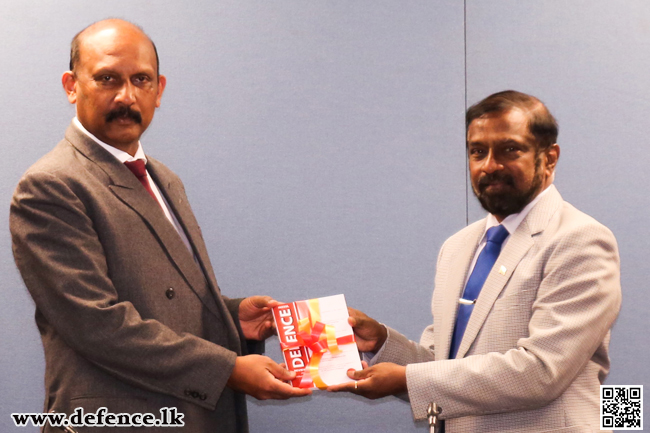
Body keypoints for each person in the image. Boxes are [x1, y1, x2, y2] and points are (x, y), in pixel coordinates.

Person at [10, 19, 310, 433]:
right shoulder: (51, 185)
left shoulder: (163, 178)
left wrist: (231, 317)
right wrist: (227, 369)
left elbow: (164, 297)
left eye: (141, 80)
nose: (126, 96)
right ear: (71, 85)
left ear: (159, 89)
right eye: (107, 79)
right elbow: (96, 325)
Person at [329, 90, 621, 433]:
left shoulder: (580, 240)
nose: (490, 165)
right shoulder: (457, 248)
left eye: (510, 149)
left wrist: (405, 380)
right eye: (477, 152)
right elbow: (443, 367)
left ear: (550, 158)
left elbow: (540, 372)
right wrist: (381, 343)